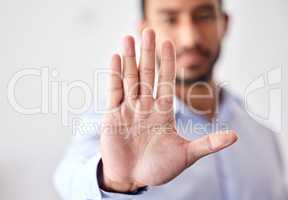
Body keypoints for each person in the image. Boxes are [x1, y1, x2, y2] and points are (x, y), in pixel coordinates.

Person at [54, 0, 288, 199]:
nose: (190, 38)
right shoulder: (114, 127)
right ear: (145, 29)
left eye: (204, 16)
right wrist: (116, 182)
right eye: (170, 19)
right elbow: (68, 179)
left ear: (224, 24)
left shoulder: (263, 135)